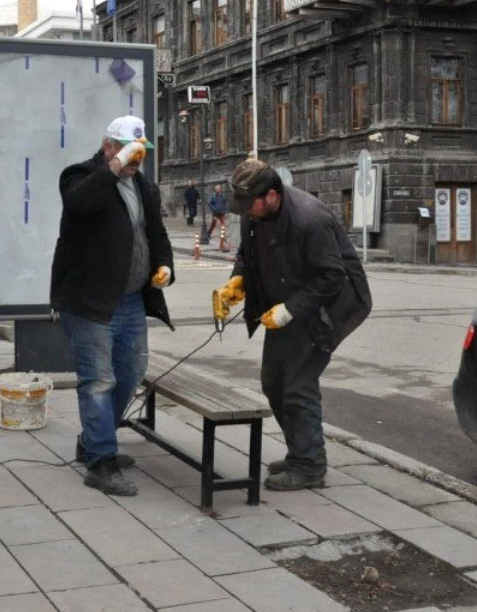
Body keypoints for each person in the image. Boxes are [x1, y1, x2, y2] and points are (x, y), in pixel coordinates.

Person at [213, 159, 372, 490]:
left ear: (271, 196)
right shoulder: (255, 215)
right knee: (273, 383)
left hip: (326, 309)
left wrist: (289, 309)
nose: (245, 213)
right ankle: (301, 449)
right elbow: (247, 253)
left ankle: (310, 465)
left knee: (298, 386)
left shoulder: (310, 219)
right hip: (284, 307)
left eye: (249, 205)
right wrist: (237, 281)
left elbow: (332, 277)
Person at [51, 115, 175, 496]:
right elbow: (81, 203)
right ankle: (101, 461)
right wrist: (116, 166)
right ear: (109, 147)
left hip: (132, 300)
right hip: (88, 301)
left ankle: (93, 439)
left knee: (130, 373)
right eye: (130, 150)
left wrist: (165, 265)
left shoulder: (143, 186)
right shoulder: (79, 175)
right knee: (99, 381)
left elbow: (155, 232)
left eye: (142, 152)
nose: (138, 159)